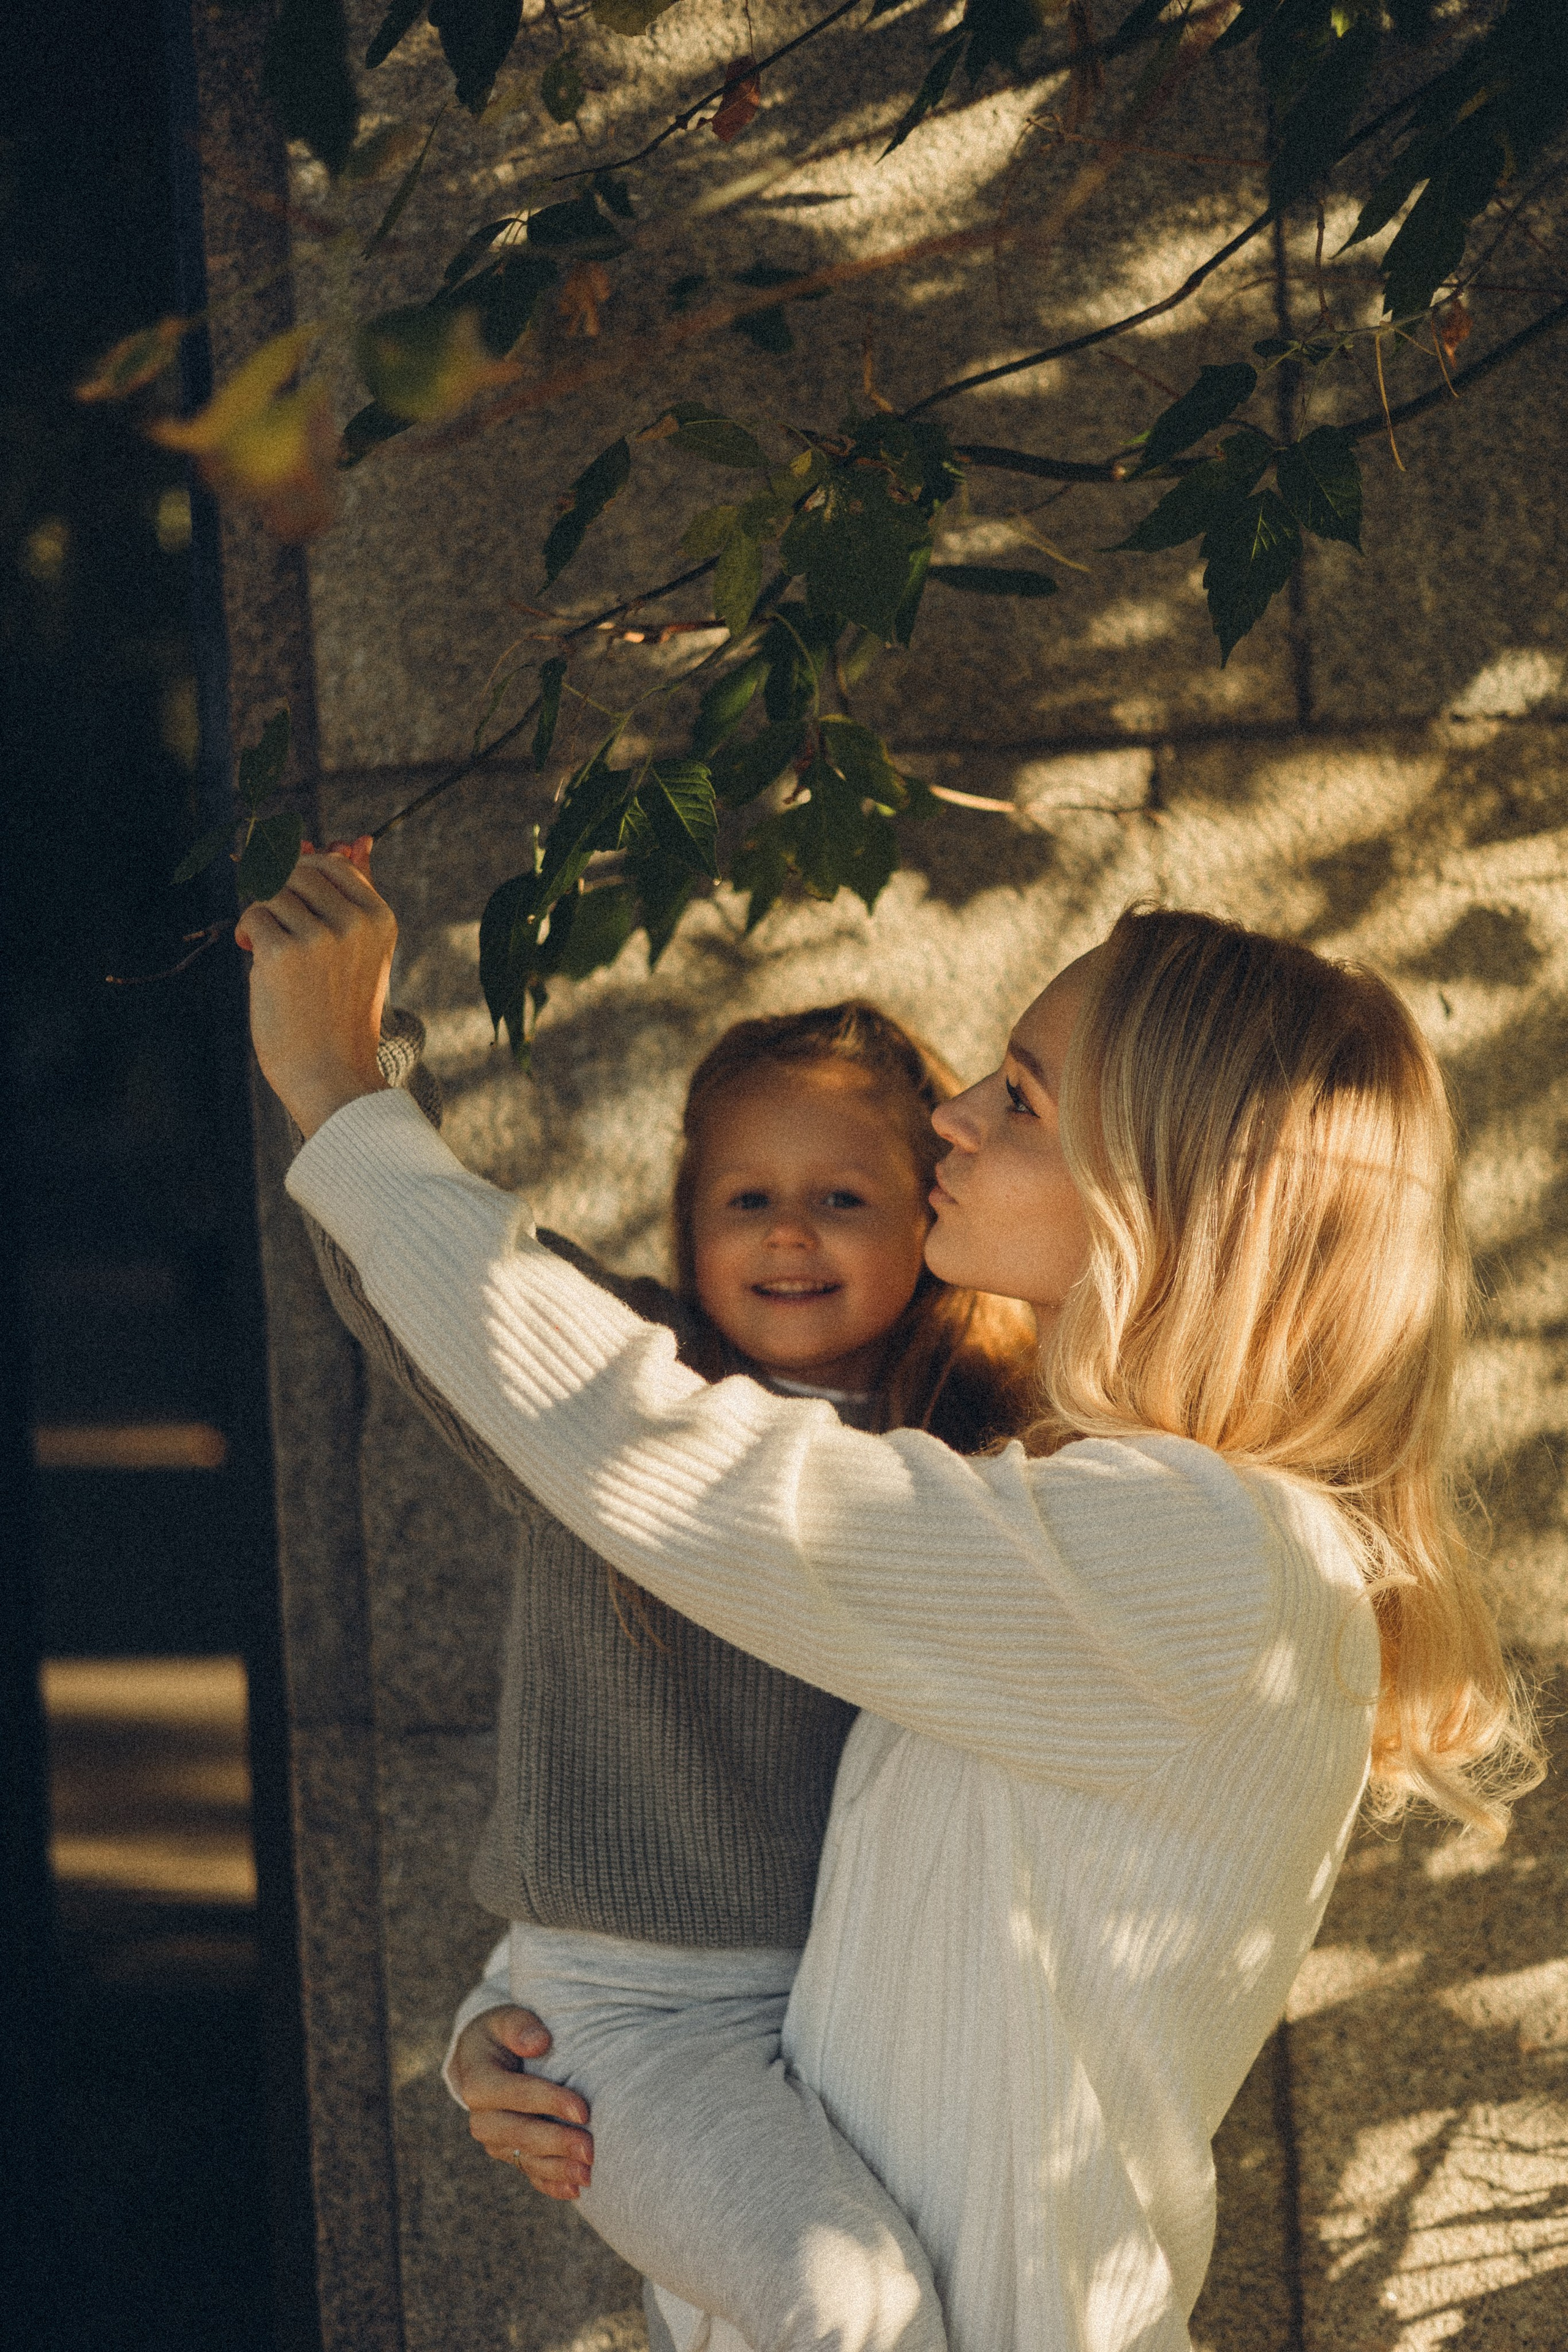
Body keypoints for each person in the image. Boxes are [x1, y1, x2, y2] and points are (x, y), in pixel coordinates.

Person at [244, 850, 1542, 2352]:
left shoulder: (1201, 1558)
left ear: (1167, 1186)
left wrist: (347, 1098)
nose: (951, 1115)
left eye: (1021, 1096)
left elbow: (671, 1467)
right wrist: (522, 2014)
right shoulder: (1101, 1528)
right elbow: (829, 1904)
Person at [257, 844, 1037, 2352]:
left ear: (928, 1218)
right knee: (848, 2311)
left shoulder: (983, 1444)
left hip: (879, 2004)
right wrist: (351, 1070)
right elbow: (429, 1287)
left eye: (839, 1197)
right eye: (744, 1196)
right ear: (684, 1222)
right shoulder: (616, 1400)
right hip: (642, 2016)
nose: (787, 1233)